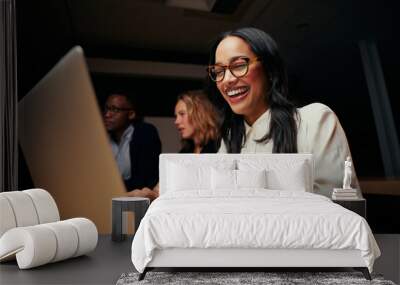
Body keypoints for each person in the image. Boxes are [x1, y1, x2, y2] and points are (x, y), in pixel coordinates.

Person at [206, 27, 358, 196]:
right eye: (219, 71)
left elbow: (340, 212)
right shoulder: (229, 140)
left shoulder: (314, 120)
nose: (227, 79)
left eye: (240, 65)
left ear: (269, 69)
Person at [127, 90, 220, 200]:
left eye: (182, 114)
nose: (176, 121)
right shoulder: (184, 152)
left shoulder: (220, 148)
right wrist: (146, 193)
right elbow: (160, 188)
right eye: (176, 116)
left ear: (200, 113)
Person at [104, 93, 161, 192]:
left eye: (115, 110)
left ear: (131, 114)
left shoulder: (145, 133)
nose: (107, 114)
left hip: (136, 200)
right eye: (107, 108)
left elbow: (145, 180)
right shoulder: (102, 136)